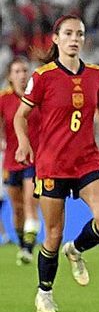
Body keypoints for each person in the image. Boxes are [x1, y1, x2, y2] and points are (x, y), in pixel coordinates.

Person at [14, 15, 99, 312]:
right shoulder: (43, 76)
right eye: (68, 33)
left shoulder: (95, 74)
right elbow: (20, 116)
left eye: (80, 34)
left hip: (87, 160)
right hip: (52, 164)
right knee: (52, 234)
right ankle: (44, 292)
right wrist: (24, 143)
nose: (75, 38)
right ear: (56, 38)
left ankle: (75, 250)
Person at [0, 57, 42, 265]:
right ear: (10, 76)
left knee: (29, 201)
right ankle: (21, 242)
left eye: (25, 70)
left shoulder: (38, 98)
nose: (22, 75)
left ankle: (28, 247)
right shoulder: (3, 99)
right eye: (17, 71)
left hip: (34, 159)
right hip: (10, 160)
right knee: (16, 207)